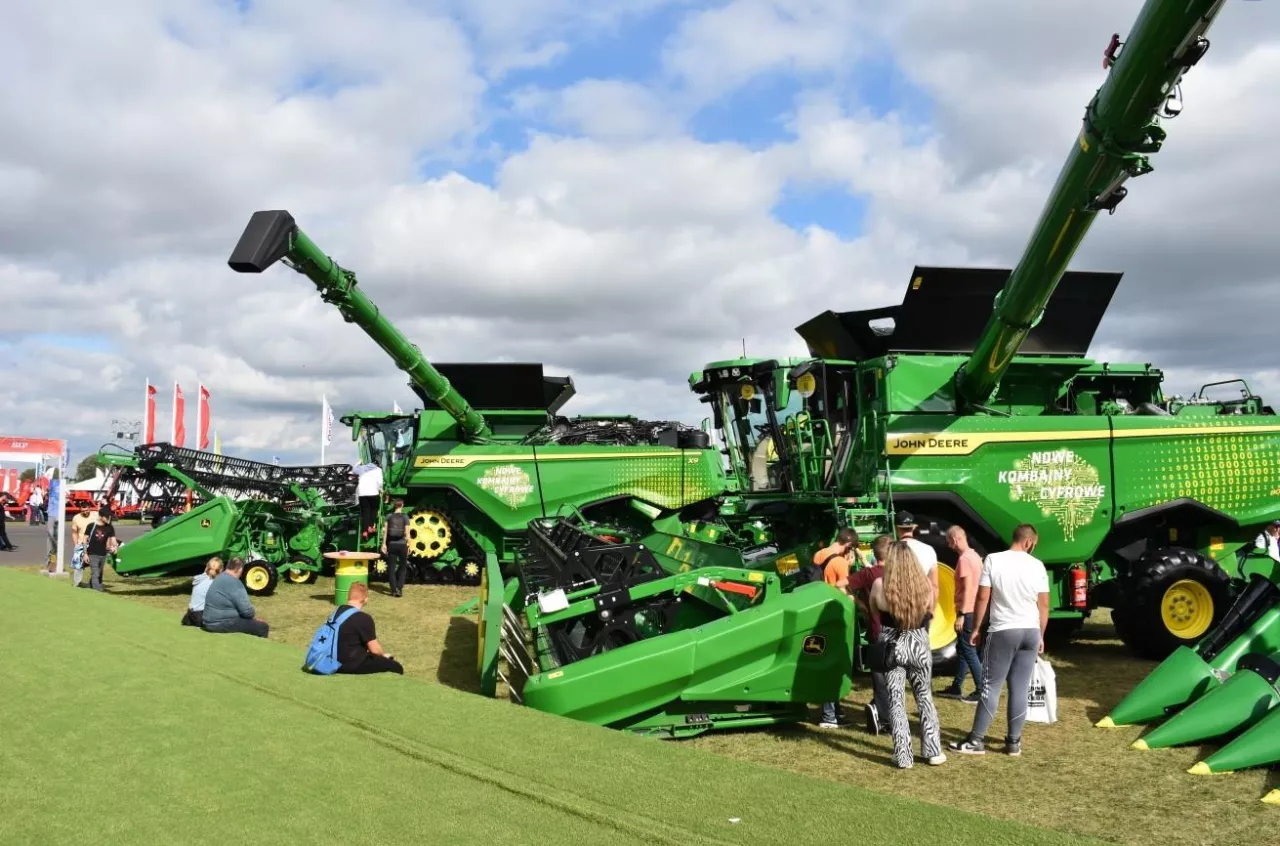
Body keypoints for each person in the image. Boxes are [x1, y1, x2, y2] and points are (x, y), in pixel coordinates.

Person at [949, 524, 1049, 757]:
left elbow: (983, 596)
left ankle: (976, 740)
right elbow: (1043, 604)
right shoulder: (1037, 565)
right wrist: (1041, 634)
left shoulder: (994, 560)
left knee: (990, 687)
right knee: (1020, 688)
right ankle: (1013, 741)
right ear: (1028, 542)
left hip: (1003, 629)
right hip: (1030, 630)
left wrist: (976, 628)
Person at [871, 540, 944, 768]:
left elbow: (874, 614)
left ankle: (903, 755)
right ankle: (933, 751)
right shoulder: (924, 586)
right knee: (924, 697)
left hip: (892, 644)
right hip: (919, 641)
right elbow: (930, 611)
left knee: (896, 701)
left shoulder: (879, 585)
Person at [811, 527, 859, 728]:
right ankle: (830, 716)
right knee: (835, 664)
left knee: (826, 661)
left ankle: (833, 712)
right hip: (835, 616)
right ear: (848, 545)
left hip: (819, 615)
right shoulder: (840, 563)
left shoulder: (819, 555)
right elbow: (843, 591)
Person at [848, 534, 892, 734]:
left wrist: (861, 606)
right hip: (898, 632)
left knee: (880, 678)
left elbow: (843, 585)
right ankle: (884, 715)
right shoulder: (899, 573)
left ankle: (882, 716)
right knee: (893, 678)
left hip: (877, 632)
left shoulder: (869, 574)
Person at [939, 525, 983, 703]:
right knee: (964, 650)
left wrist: (962, 614)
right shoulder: (975, 556)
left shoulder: (964, 560)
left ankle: (981, 690)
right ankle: (956, 686)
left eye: (950, 542)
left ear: (956, 539)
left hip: (968, 610)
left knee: (969, 651)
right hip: (975, 609)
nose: (950, 546)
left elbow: (967, 589)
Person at [333, 583, 403, 675]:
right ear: (365, 599)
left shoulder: (337, 612)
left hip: (333, 660)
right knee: (396, 667)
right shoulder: (363, 618)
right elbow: (375, 650)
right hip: (349, 664)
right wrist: (384, 656)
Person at [201, 557, 270, 637]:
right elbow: (247, 612)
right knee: (262, 627)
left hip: (208, 621)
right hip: (220, 623)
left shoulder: (219, 578)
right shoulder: (235, 583)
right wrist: (255, 620)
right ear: (239, 569)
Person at [895, 511, 939, 610]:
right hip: (922, 605)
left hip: (900, 606)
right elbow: (934, 586)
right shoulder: (929, 549)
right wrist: (932, 611)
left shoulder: (891, 550)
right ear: (913, 527)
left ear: (896, 528)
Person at [81, 508, 118, 592]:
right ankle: (98, 590)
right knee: (95, 572)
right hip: (92, 553)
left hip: (103, 554)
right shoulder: (91, 526)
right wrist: (85, 553)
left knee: (100, 573)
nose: (109, 519)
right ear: (101, 516)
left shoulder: (109, 527)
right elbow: (85, 540)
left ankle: (91, 584)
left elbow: (113, 539)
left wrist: (115, 547)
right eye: (107, 517)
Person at [182, 557, 224, 627]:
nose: (212, 569)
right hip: (195, 613)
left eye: (214, 568)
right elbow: (195, 579)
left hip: (196, 613)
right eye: (211, 566)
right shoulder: (204, 579)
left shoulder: (210, 581)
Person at [380, 499, 410, 598]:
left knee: (391, 568)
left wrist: (384, 544)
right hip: (402, 545)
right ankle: (399, 589)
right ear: (402, 505)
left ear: (394, 506)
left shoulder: (389, 516)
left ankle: (393, 590)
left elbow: (385, 532)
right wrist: (409, 544)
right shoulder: (405, 517)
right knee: (402, 567)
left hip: (392, 545)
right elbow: (407, 533)